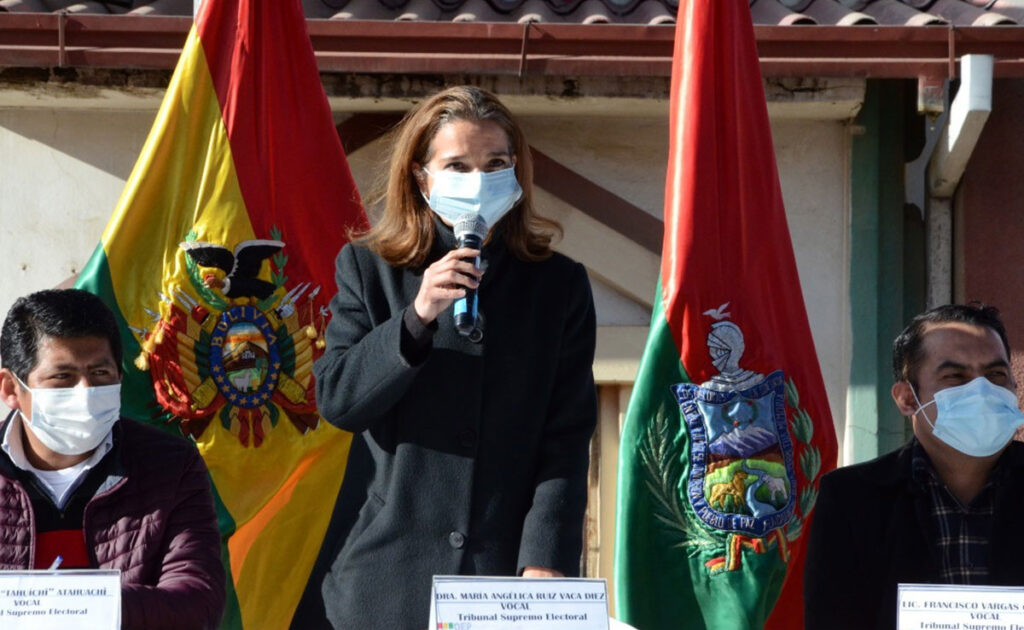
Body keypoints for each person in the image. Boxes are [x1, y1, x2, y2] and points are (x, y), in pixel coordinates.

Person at [311, 85, 597, 629]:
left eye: (495, 164)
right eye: (458, 166)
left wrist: (545, 556)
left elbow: (566, 435)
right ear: (423, 179)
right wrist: (416, 316)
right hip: (387, 585)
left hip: (503, 585)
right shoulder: (369, 270)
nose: (478, 180)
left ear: (516, 174)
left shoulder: (558, 286)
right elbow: (339, 400)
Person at [0, 289, 225, 630]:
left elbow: (198, 599)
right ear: (10, 389)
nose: (85, 393)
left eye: (100, 373)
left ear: (120, 376)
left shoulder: (171, 465)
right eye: (62, 377)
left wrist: (77, 606)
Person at [804, 303, 1024, 630]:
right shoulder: (851, 498)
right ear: (907, 398)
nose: (981, 391)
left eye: (996, 375)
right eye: (956, 376)